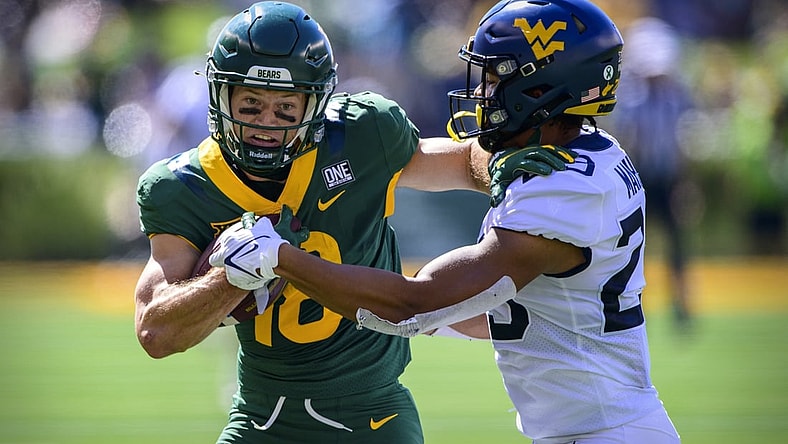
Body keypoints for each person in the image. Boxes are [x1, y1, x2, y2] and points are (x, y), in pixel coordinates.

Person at [212, 1, 682, 442]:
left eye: (494, 78)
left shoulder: (561, 188)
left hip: (606, 432)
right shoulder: (588, 156)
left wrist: (280, 257)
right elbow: (521, 315)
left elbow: (414, 304)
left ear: (541, 89)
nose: (481, 93)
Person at [133, 2, 571, 443]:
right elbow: (156, 331)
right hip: (261, 417)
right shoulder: (184, 187)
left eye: (286, 108)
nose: (267, 123)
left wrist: (499, 165)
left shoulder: (361, 134)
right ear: (220, 96)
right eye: (250, 104)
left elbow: (456, 161)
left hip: (373, 416)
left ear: (316, 103)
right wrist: (232, 275)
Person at [611, 17, 695, 328]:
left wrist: (685, 183)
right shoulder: (632, 100)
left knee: (677, 246)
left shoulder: (676, 98)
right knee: (634, 245)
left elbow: (681, 144)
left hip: (668, 179)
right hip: (641, 179)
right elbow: (627, 145)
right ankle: (632, 299)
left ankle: (681, 303)